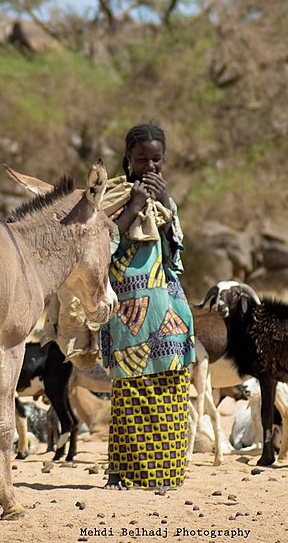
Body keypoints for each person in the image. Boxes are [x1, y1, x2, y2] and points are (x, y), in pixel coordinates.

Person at [99, 123, 196, 490]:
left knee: (170, 388)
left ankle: (165, 475)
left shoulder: (167, 201)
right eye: (142, 159)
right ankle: (120, 473)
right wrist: (135, 206)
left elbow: (174, 253)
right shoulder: (112, 195)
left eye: (157, 159)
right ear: (128, 158)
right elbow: (104, 245)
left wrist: (166, 205)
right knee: (130, 394)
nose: (150, 166)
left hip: (166, 306)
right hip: (126, 308)